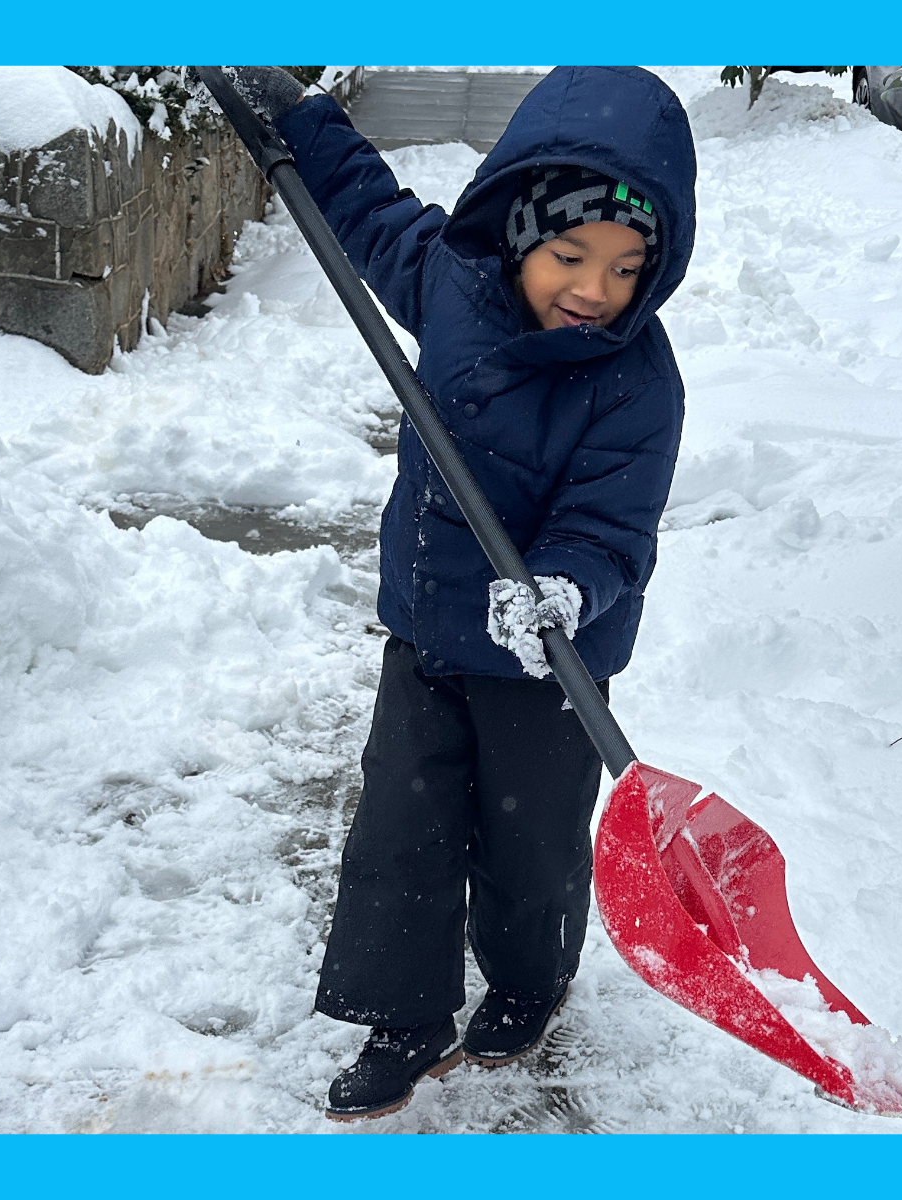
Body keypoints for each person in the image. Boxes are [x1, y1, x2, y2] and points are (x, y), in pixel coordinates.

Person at [223, 65, 696, 1121]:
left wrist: (565, 591)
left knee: (530, 846)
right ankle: (407, 1017)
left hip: (548, 659)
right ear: (520, 234)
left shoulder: (636, 381)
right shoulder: (452, 282)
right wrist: (298, 117)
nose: (594, 288)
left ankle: (529, 984)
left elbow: (610, 522)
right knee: (404, 827)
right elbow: (363, 207)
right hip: (431, 630)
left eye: (627, 268)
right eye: (571, 256)